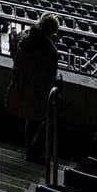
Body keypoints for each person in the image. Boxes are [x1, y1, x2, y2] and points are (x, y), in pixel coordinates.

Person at [4, 13, 62, 160]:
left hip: (19, 85)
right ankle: (33, 151)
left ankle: (29, 149)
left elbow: (14, 55)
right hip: (37, 92)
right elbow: (50, 75)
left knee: (31, 121)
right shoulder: (50, 50)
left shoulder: (23, 36)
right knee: (43, 120)